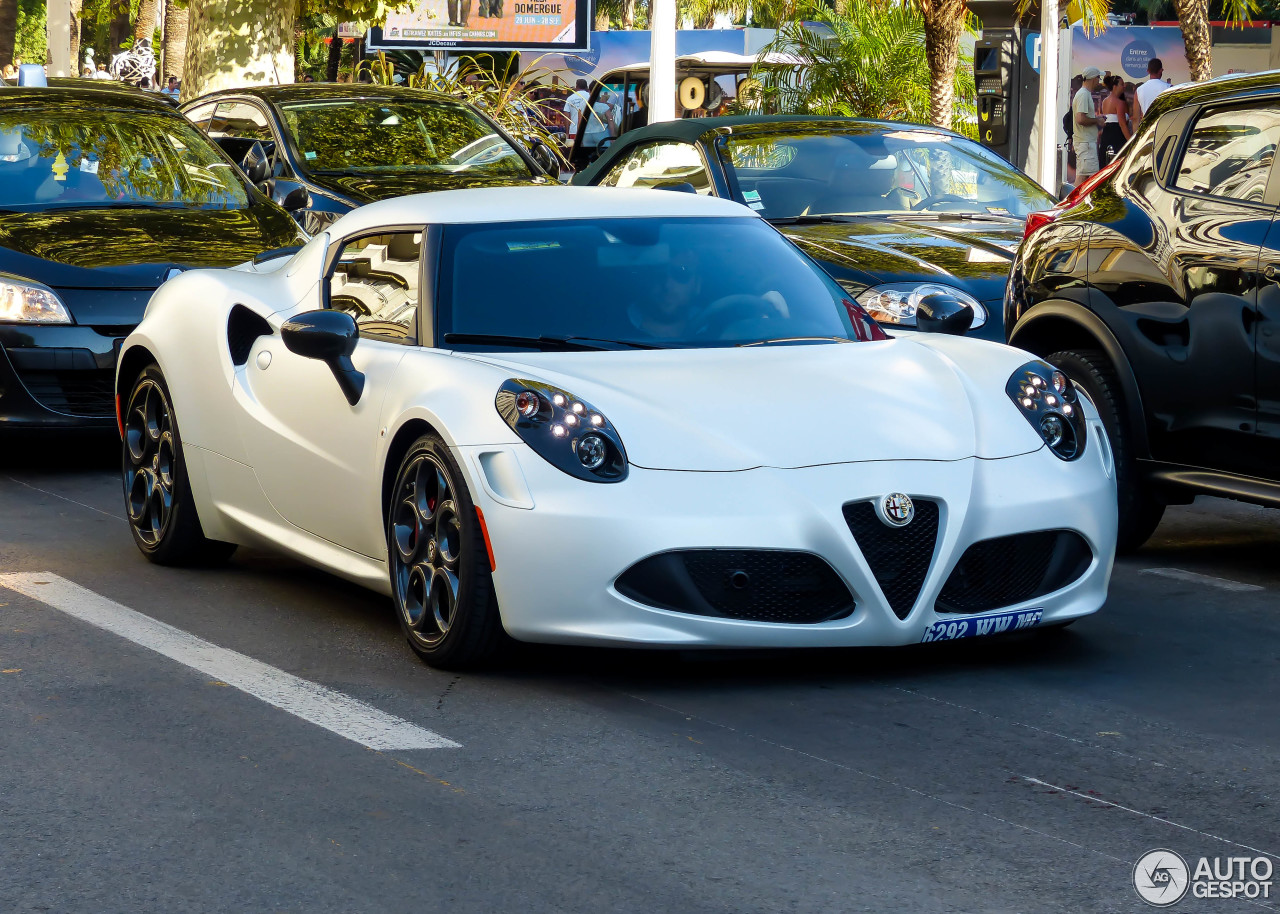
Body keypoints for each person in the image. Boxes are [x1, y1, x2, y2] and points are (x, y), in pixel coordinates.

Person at [1072, 66, 1106, 181]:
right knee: (1084, 179)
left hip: (1085, 143)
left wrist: (1096, 118)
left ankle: (1076, 199)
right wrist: (1097, 120)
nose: (1099, 81)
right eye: (1099, 78)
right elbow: (1080, 119)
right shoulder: (1084, 94)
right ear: (1093, 78)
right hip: (1085, 143)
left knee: (1085, 178)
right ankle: (1073, 199)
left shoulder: (1083, 94)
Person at [1099, 74, 1130, 166]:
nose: (1124, 86)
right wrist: (1131, 141)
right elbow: (1122, 125)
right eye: (1122, 84)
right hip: (1117, 137)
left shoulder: (1105, 101)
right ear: (1115, 86)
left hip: (1106, 136)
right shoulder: (1119, 103)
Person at [1132, 58, 1169, 131]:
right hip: (1164, 129)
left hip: (1147, 130)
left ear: (1148, 71)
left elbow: (1136, 119)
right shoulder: (1169, 88)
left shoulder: (1139, 90)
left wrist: (1136, 139)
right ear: (1161, 70)